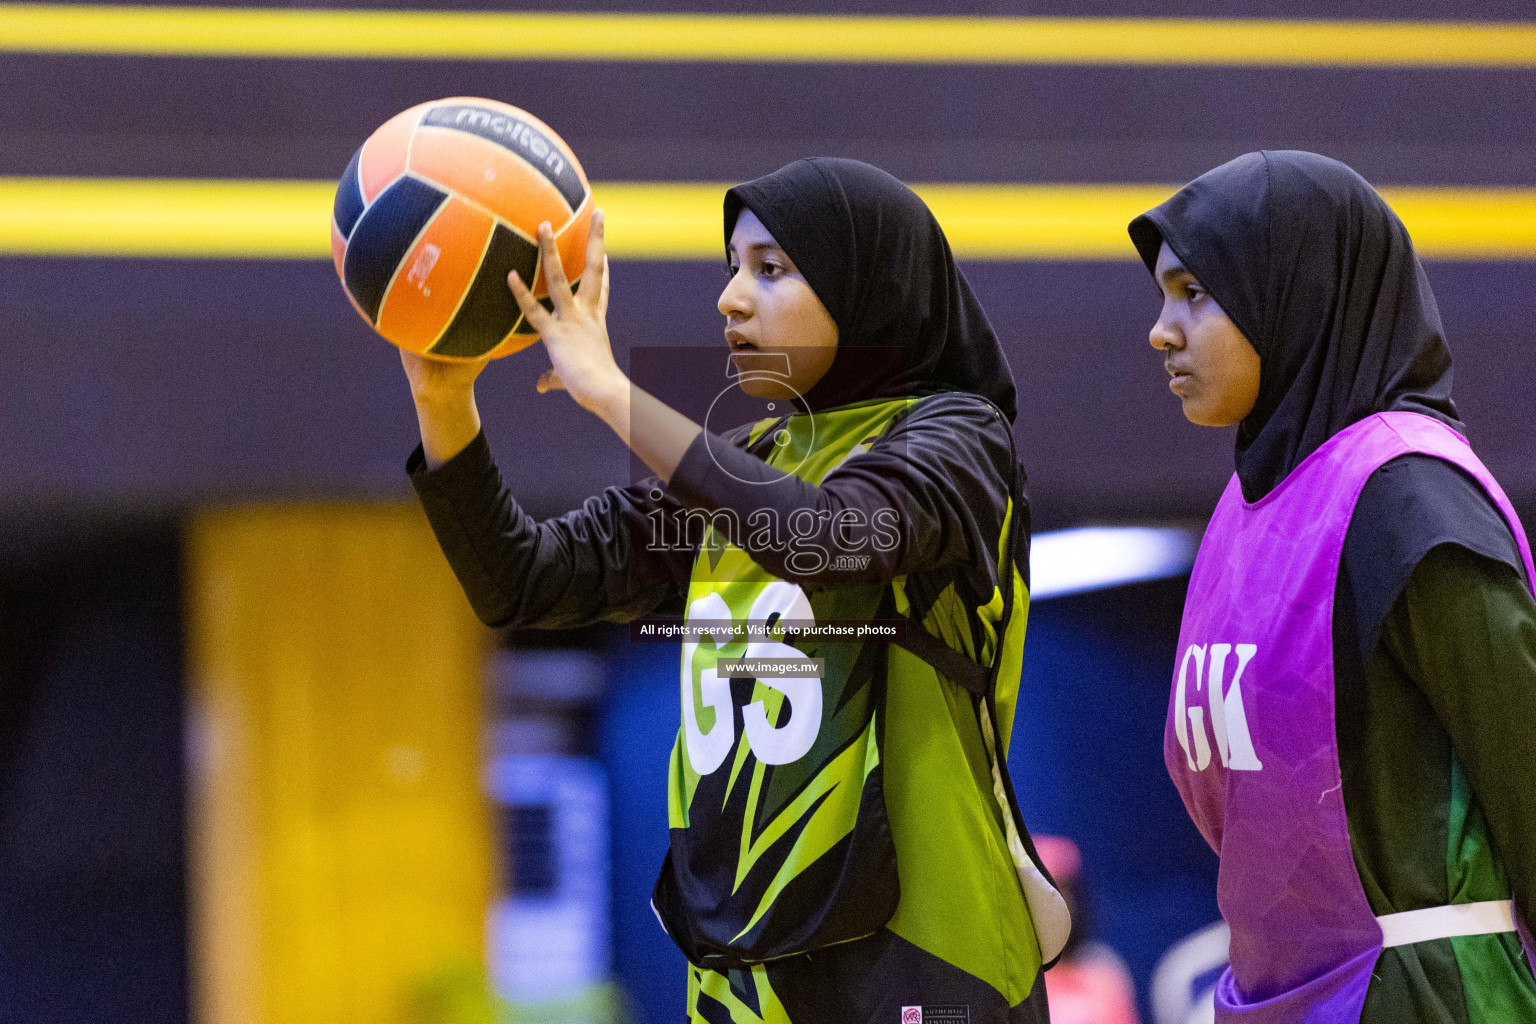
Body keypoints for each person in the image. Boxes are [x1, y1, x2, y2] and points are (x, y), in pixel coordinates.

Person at [402, 157, 1068, 1022]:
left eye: (771, 269)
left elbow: (827, 535)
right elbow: (522, 582)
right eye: (731, 269)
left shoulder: (959, 436)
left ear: (867, 282)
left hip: (924, 956)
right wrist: (444, 402)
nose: (730, 299)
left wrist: (610, 392)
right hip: (745, 970)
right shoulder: (749, 463)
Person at [1128, 149, 1536, 1023]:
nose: (1162, 329)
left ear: (1296, 294)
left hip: (1428, 997)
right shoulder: (1248, 509)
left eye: (1195, 293)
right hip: (1273, 994)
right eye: (1164, 295)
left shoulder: (1409, 497)